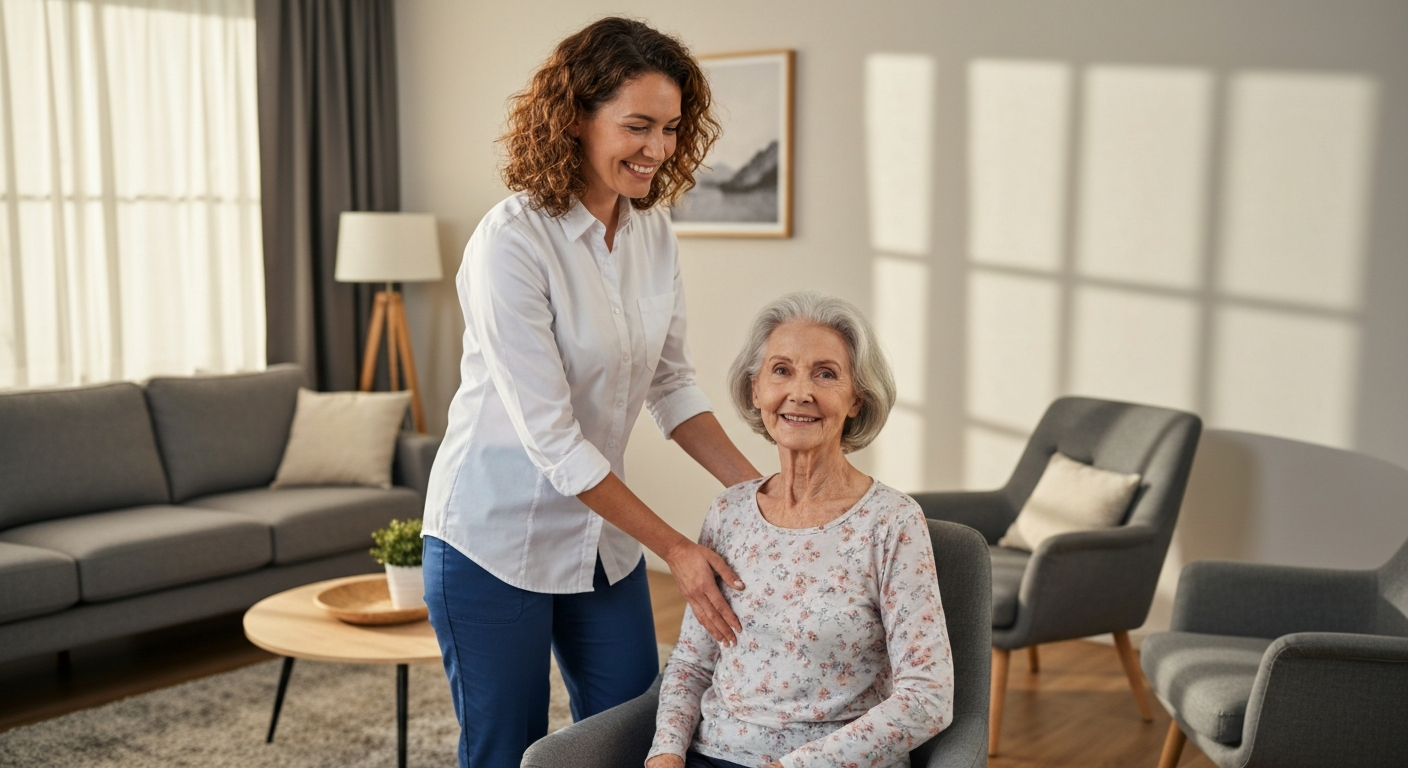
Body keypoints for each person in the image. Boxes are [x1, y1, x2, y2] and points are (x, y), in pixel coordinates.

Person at [420, 17, 762, 768]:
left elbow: (672, 384)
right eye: (637, 126)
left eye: (670, 129)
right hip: (492, 541)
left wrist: (762, 495)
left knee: (632, 734)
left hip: (601, 541)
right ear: (574, 117)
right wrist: (678, 549)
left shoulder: (652, 234)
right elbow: (554, 442)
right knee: (506, 751)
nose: (659, 149)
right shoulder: (511, 243)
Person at [646, 292, 955, 768]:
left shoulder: (892, 522)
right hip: (714, 754)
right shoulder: (728, 513)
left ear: (857, 399)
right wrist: (665, 753)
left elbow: (927, 698)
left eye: (826, 374)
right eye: (781, 370)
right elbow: (691, 663)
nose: (800, 392)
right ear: (756, 390)